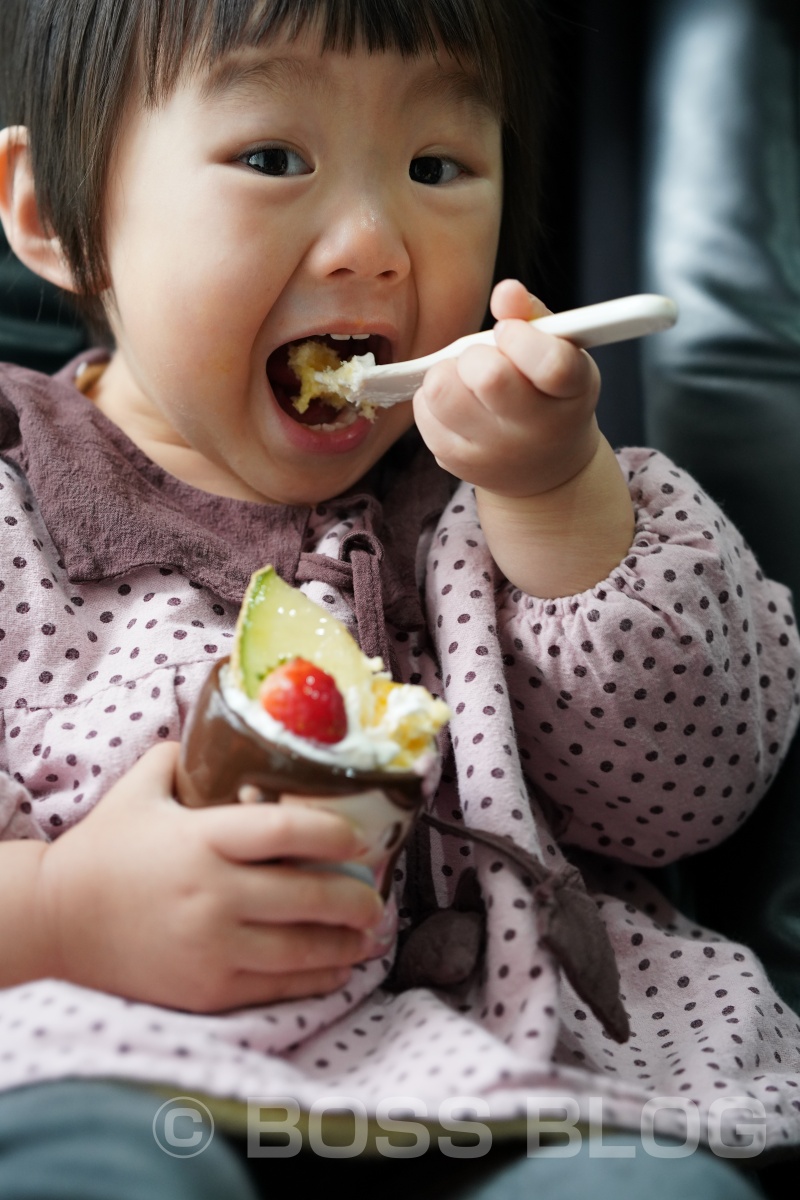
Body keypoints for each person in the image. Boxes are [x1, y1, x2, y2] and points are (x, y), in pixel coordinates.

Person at [0, 1, 794, 1196]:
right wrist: (59, 912)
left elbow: (692, 790)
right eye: (272, 158)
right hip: (125, 1077)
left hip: (517, 1095)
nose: (373, 243)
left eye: (436, 166)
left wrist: (559, 501)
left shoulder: (507, 495)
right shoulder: (18, 504)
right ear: (53, 216)